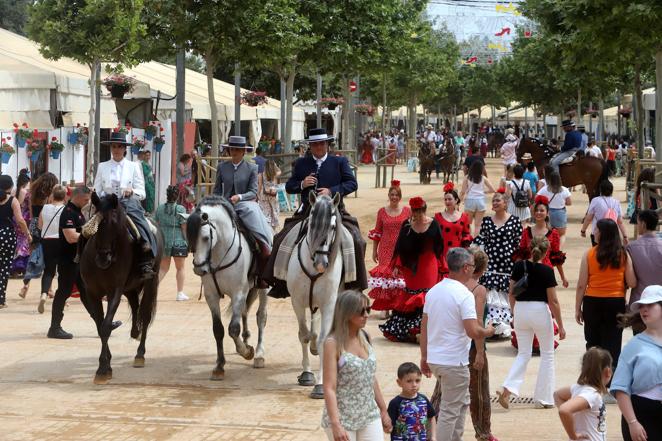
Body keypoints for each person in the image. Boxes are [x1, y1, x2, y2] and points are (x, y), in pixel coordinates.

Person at [264, 128, 366, 298]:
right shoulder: (302, 163)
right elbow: (290, 186)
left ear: (327, 144)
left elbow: (352, 184)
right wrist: (302, 184)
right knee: (281, 237)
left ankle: (354, 284)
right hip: (307, 212)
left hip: (334, 211)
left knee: (356, 239)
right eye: (315, 144)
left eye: (322, 143)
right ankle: (280, 281)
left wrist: (332, 191)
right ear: (310, 146)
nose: (319, 147)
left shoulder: (339, 162)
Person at [420, 247, 496, 441]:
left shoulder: (434, 291)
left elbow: (424, 328)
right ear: (464, 268)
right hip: (454, 362)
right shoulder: (464, 295)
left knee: (460, 404)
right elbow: (473, 331)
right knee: (450, 410)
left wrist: (424, 356)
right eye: (471, 266)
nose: (473, 269)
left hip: (438, 359)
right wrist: (488, 330)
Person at [497, 236, 566, 409]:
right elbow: (553, 301)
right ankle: (543, 398)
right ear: (546, 251)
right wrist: (561, 325)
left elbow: (511, 293)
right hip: (539, 310)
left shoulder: (519, 266)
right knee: (547, 354)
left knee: (523, 353)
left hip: (520, 309)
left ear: (529, 247)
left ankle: (507, 389)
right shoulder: (547, 271)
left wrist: (514, 314)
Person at [575, 218, 637, 399]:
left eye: (597, 230)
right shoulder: (623, 255)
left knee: (593, 343)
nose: (594, 232)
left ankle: (592, 384)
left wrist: (578, 308)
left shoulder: (589, 254)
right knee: (612, 345)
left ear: (602, 234)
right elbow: (632, 281)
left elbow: (581, 285)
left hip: (593, 302)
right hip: (615, 302)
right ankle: (609, 385)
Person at [47, 185, 120, 338]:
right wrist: (91, 236)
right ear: (78, 196)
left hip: (78, 260)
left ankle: (101, 325)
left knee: (87, 293)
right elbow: (71, 237)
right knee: (63, 292)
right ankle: (54, 327)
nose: (87, 202)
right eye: (86, 199)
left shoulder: (77, 212)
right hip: (68, 260)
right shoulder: (68, 213)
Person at [321, 290, 392, 440]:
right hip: (344, 418)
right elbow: (329, 387)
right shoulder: (332, 344)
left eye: (368, 309)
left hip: (369, 414)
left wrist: (383, 409)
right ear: (347, 313)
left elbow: (370, 376)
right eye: (361, 311)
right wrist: (336, 424)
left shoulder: (365, 337)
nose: (366, 315)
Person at [379, 197, 443, 343]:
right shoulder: (406, 225)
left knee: (427, 295)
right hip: (410, 268)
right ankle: (410, 331)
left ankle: (426, 331)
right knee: (410, 294)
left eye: (420, 212)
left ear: (424, 210)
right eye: (415, 211)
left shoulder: (433, 224)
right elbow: (400, 247)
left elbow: (440, 247)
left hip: (428, 266)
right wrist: (397, 266)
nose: (417, 215)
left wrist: (442, 266)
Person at [94, 131, 156, 279]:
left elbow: (142, 192)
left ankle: (146, 256)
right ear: (110, 148)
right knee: (88, 227)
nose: (116, 149)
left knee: (140, 223)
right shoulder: (102, 166)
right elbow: (97, 189)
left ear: (124, 149)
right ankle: (81, 256)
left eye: (119, 146)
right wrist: (101, 197)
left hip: (128, 203)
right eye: (114, 146)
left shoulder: (134, 166)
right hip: (107, 205)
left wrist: (132, 190)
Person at [213, 136, 273, 288]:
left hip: (245, 204)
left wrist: (239, 197)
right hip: (225, 204)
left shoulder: (252, 168)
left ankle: (264, 246)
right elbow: (217, 190)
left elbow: (253, 192)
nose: (234, 152)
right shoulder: (222, 167)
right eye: (232, 149)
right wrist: (216, 201)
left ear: (243, 151)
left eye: (238, 149)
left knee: (254, 217)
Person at [611, 285, 662, 441]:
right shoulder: (634, 345)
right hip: (641, 416)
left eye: (650, 304)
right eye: (641, 306)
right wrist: (632, 422)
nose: (644, 309)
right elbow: (620, 389)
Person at [472, 190, 523, 337]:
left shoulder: (515, 221)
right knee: (491, 294)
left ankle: (504, 329)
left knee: (506, 294)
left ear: (505, 203)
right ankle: (490, 327)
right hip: (490, 264)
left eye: (497, 201)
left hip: (508, 265)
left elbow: (519, 244)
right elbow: (480, 240)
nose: (494, 203)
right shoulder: (487, 221)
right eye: (493, 201)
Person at [368, 180, 411, 317]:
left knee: (398, 276)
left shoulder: (407, 211)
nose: (394, 197)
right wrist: (374, 250)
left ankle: (396, 306)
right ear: (388, 195)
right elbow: (377, 232)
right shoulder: (381, 212)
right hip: (385, 248)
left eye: (396, 195)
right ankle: (385, 307)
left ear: (400, 197)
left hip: (401, 248)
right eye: (392, 195)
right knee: (386, 277)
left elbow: (411, 231)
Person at [554, 348, 613, 441]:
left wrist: (572, 419)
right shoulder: (592, 395)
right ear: (608, 372)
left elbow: (557, 395)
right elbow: (564, 410)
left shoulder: (577, 388)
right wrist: (573, 435)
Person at [19, 172, 59, 299]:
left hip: (33, 225)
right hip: (46, 225)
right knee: (49, 259)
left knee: (33, 258)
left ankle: (25, 286)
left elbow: (31, 214)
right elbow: (50, 212)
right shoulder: (50, 196)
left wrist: (32, 227)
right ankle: (50, 289)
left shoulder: (32, 194)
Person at [514, 195, 569, 288]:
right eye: (536, 210)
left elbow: (556, 258)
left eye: (542, 210)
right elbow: (520, 255)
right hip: (528, 272)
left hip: (546, 273)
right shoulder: (526, 232)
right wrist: (514, 274)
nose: (538, 212)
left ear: (547, 213)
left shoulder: (553, 233)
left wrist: (563, 277)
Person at [0, 175, 31, 309]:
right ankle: (1, 299)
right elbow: (20, 220)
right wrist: (28, 234)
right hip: (7, 236)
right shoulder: (12, 201)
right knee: (4, 267)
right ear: (11, 186)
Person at [154, 186, 189, 301]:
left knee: (163, 268)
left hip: (163, 241)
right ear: (177, 196)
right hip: (178, 241)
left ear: (167, 195)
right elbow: (184, 227)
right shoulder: (181, 209)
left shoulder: (159, 209)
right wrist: (187, 241)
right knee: (180, 268)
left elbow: (156, 224)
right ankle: (180, 293)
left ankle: (152, 290)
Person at [36, 185, 66, 314]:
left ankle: (44, 294)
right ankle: (62, 298)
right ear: (64, 197)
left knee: (48, 270)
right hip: (61, 241)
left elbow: (40, 225)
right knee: (63, 270)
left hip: (47, 241)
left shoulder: (45, 208)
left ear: (52, 196)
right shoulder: (65, 209)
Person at [388, 362, 437, 441]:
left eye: (417, 380)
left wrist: (433, 437)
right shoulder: (395, 403)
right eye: (409, 381)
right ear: (399, 382)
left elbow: (431, 417)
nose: (414, 384)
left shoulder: (423, 400)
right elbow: (389, 427)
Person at [626, 210, 662, 313]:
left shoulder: (630, 248)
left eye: (638, 222)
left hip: (639, 303)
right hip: (659, 302)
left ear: (643, 224)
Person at [434, 182, 472, 276]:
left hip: (458, 254)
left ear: (456, 200)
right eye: (445, 199)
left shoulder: (464, 217)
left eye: (450, 199)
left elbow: (466, 234)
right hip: (442, 254)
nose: (447, 201)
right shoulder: (438, 217)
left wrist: (465, 248)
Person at [581, 180, 628, 246]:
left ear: (600, 190)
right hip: (612, 233)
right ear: (612, 190)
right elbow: (620, 222)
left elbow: (589, 218)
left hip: (597, 233)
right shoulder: (616, 202)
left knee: (597, 253)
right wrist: (625, 236)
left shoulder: (595, 201)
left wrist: (583, 230)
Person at [537, 169, 572, 247]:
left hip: (548, 213)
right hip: (560, 213)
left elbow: (537, 198)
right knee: (561, 235)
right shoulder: (565, 190)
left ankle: (547, 249)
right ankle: (558, 250)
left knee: (547, 233)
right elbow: (569, 203)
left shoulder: (545, 189)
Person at [460, 161, 495, 235]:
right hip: (480, 201)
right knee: (478, 225)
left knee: (468, 224)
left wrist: (459, 201)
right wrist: (484, 192)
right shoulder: (483, 178)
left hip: (470, 200)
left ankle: (468, 241)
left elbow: (463, 191)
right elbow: (492, 190)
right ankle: (476, 242)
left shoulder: (467, 177)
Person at [11, 168, 31, 278]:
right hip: (22, 216)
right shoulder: (24, 191)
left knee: (18, 240)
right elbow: (20, 204)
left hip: (14, 217)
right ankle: (21, 266)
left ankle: (14, 267)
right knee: (23, 241)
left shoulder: (14, 190)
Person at [257, 159, 282, 230]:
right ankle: (274, 228)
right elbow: (279, 170)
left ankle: (267, 228)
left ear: (265, 166)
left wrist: (257, 195)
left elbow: (260, 186)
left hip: (264, 195)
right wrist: (275, 166)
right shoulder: (275, 173)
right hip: (273, 194)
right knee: (274, 211)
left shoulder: (260, 175)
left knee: (266, 213)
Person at [140, 149, 155, 214]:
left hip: (151, 182)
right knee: (148, 196)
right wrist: (150, 169)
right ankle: (147, 211)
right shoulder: (143, 163)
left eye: (149, 155)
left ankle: (151, 210)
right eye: (146, 155)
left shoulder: (148, 163)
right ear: (144, 156)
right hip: (146, 182)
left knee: (152, 196)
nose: (148, 157)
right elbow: (145, 172)